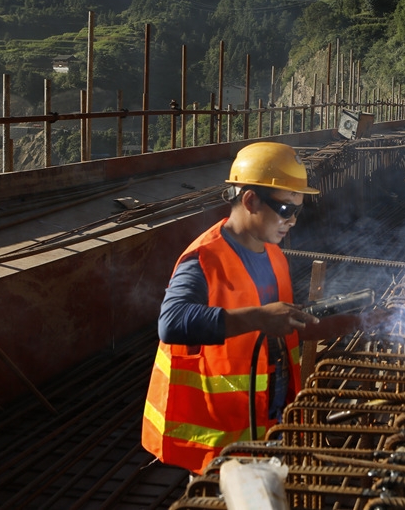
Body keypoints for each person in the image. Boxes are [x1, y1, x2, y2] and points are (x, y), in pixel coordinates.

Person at [142, 141, 365, 474]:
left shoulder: (272, 253)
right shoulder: (205, 259)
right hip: (220, 434)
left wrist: (356, 322)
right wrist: (260, 318)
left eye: (298, 210)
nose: (293, 221)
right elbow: (172, 322)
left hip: (268, 415)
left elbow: (280, 327)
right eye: (287, 209)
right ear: (250, 200)